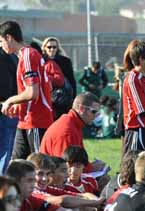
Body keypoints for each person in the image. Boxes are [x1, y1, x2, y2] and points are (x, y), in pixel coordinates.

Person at [0, 21, 53, 160]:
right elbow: (47, 87)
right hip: (25, 120)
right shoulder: (26, 55)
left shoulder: (28, 55)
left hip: (36, 121)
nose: (0, 45)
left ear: (9, 38)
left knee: (40, 165)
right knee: (16, 167)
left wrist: (11, 100)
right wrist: (20, 104)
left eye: (1, 41)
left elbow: (32, 93)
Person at [40, 92, 103, 173]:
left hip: (60, 174)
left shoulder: (73, 124)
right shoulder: (67, 130)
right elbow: (65, 166)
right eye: (93, 112)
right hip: (54, 177)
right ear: (81, 109)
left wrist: (90, 166)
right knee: (101, 179)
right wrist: (91, 168)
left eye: (98, 113)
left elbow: (76, 160)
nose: (95, 116)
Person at [0, 44, 18, 174]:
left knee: (5, 151)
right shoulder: (10, 56)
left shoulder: (8, 56)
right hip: (9, 108)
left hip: (7, 109)